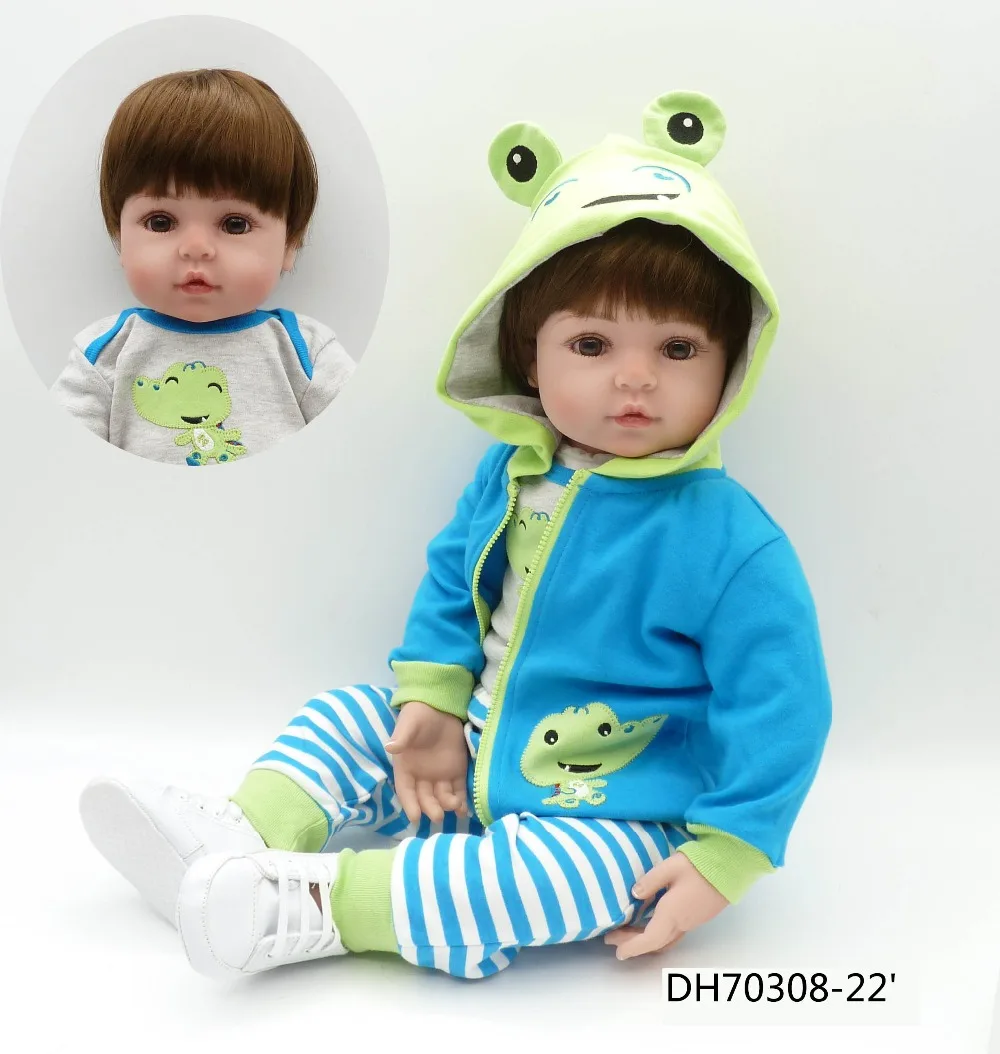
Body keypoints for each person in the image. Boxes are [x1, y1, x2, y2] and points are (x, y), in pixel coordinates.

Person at [80, 90, 832, 979]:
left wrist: (727, 854)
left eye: (677, 350)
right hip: (468, 748)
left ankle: (315, 903)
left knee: (547, 883)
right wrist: (433, 705)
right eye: (592, 346)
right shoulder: (512, 475)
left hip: (617, 809)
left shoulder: (730, 540)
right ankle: (243, 834)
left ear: (731, 364)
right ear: (529, 356)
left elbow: (784, 705)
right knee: (351, 715)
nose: (634, 380)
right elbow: (452, 585)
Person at [51, 68, 354, 466]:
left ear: (290, 243)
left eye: (235, 224)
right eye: (161, 222)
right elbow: (60, 463)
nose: (196, 249)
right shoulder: (103, 354)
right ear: (120, 239)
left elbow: (361, 445)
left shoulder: (307, 354)